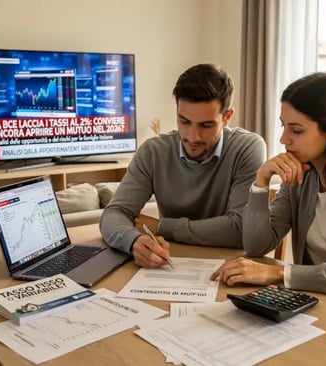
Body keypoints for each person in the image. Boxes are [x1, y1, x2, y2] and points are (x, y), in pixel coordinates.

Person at [211, 72, 326, 296]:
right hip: (317, 302)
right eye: (283, 126)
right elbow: (256, 246)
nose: (283, 139)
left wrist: (280, 274)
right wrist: (261, 181)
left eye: (297, 130)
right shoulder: (300, 175)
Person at [100, 63, 266, 268]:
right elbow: (114, 213)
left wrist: (163, 227)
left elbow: (240, 228)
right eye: (184, 121)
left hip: (230, 267)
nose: (192, 136)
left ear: (227, 117)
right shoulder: (153, 151)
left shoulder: (247, 148)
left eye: (206, 125)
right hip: (170, 265)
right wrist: (134, 241)